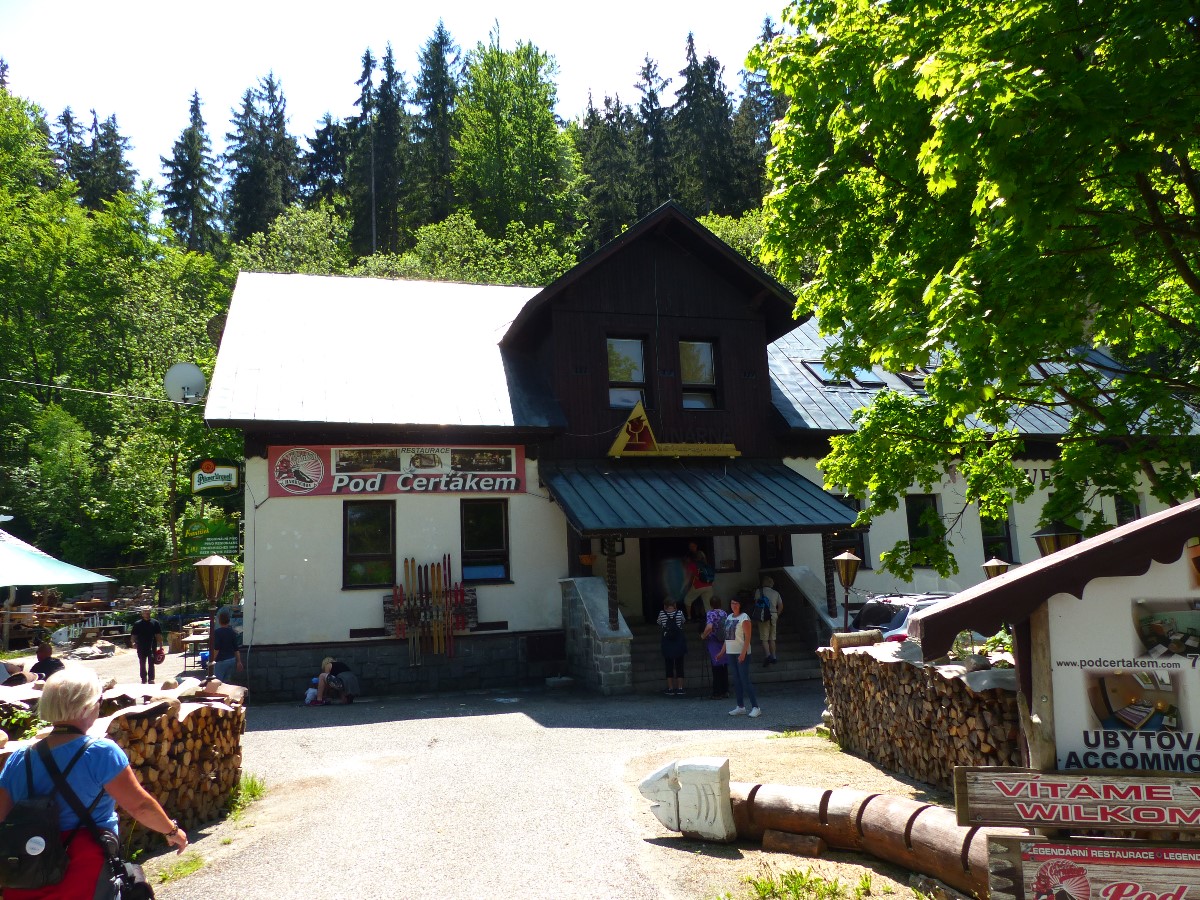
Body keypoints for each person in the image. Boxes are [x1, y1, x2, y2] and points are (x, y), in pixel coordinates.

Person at [0, 667, 188, 897]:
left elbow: (3, 818)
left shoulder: (19, 759)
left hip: (28, 875)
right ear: (86, 705)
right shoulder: (100, 752)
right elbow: (139, 806)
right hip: (86, 872)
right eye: (98, 700)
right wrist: (172, 831)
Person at [716, 595, 761, 718]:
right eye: (732, 603)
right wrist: (721, 652)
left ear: (741, 604)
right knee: (736, 680)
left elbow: (748, 637)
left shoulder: (744, 617)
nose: (734, 605)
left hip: (742, 653)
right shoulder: (729, 617)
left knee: (744, 680)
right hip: (731, 652)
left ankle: (756, 707)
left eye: (736, 603)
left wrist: (743, 653)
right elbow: (727, 637)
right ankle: (740, 706)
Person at [700, 596, 729, 699]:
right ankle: (725, 690)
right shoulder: (724, 613)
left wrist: (703, 636)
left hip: (714, 641)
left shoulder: (711, 613)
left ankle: (717, 692)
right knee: (724, 667)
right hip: (723, 642)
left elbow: (709, 627)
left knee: (716, 667)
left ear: (711, 604)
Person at [656, 598, 687, 696]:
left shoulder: (662, 613)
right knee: (679, 665)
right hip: (679, 642)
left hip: (667, 642)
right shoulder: (679, 613)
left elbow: (659, 622)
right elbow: (683, 621)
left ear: (665, 605)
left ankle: (670, 688)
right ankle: (680, 688)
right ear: (674, 605)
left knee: (668, 665)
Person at [680, 540, 714, 618]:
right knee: (708, 605)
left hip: (698, 586)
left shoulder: (692, 565)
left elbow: (687, 579)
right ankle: (710, 619)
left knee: (687, 600)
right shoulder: (707, 565)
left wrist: (682, 589)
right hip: (709, 585)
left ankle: (689, 617)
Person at [129, 607, 163, 685]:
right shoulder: (137, 624)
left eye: (148, 612)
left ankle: (151, 679)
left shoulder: (155, 623)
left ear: (150, 613)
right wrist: (133, 643)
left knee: (151, 662)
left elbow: (158, 635)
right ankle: (143, 679)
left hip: (152, 646)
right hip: (141, 646)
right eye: (145, 612)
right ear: (142, 614)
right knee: (142, 663)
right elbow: (134, 635)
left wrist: (161, 645)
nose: (147, 613)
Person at [755, 576, 784, 665]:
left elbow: (756, 603)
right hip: (773, 614)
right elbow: (781, 606)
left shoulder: (759, 591)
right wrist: (777, 614)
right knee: (772, 638)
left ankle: (768, 655)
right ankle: (774, 656)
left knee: (764, 638)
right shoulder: (776, 593)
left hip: (763, 615)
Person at [210, 611, 243, 684]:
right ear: (228, 621)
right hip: (231, 660)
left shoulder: (217, 632)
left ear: (219, 621)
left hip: (221, 661)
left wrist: (212, 660)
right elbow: (236, 649)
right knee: (227, 683)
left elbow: (217, 648)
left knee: (217, 682)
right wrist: (239, 661)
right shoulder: (232, 632)